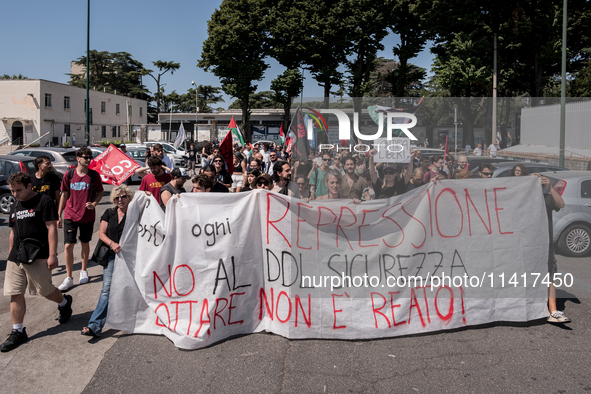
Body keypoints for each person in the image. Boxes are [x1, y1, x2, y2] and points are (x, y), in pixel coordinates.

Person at [1, 172, 73, 352]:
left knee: (45, 291)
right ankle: (17, 331)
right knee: (15, 293)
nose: (15, 194)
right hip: (17, 256)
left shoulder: (44, 201)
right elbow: (12, 231)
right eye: (12, 191)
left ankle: (64, 302)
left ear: (29, 186)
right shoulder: (15, 203)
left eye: (18, 190)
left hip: (38, 254)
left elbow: (51, 227)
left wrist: (52, 255)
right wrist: (11, 253)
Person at [81, 185, 134, 338]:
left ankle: (137, 319)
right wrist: (112, 244)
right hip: (111, 256)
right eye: (117, 197)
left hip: (130, 258)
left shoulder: (135, 213)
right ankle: (94, 325)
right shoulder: (109, 213)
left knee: (134, 287)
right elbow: (101, 233)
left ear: (129, 197)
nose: (120, 200)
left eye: (123, 196)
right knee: (107, 289)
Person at [57, 147, 104, 291]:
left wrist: (94, 203)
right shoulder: (69, 174)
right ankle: (69, 277)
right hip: (70, 214)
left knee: (84, 243)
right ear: (78, 158)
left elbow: (100, 192)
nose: (89, 159)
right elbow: (64, 194)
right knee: (68, 245)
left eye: (90, 157)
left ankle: (84, 270)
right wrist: (59, 214)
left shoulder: (94, 175)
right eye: (86, 157)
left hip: (87, 215)